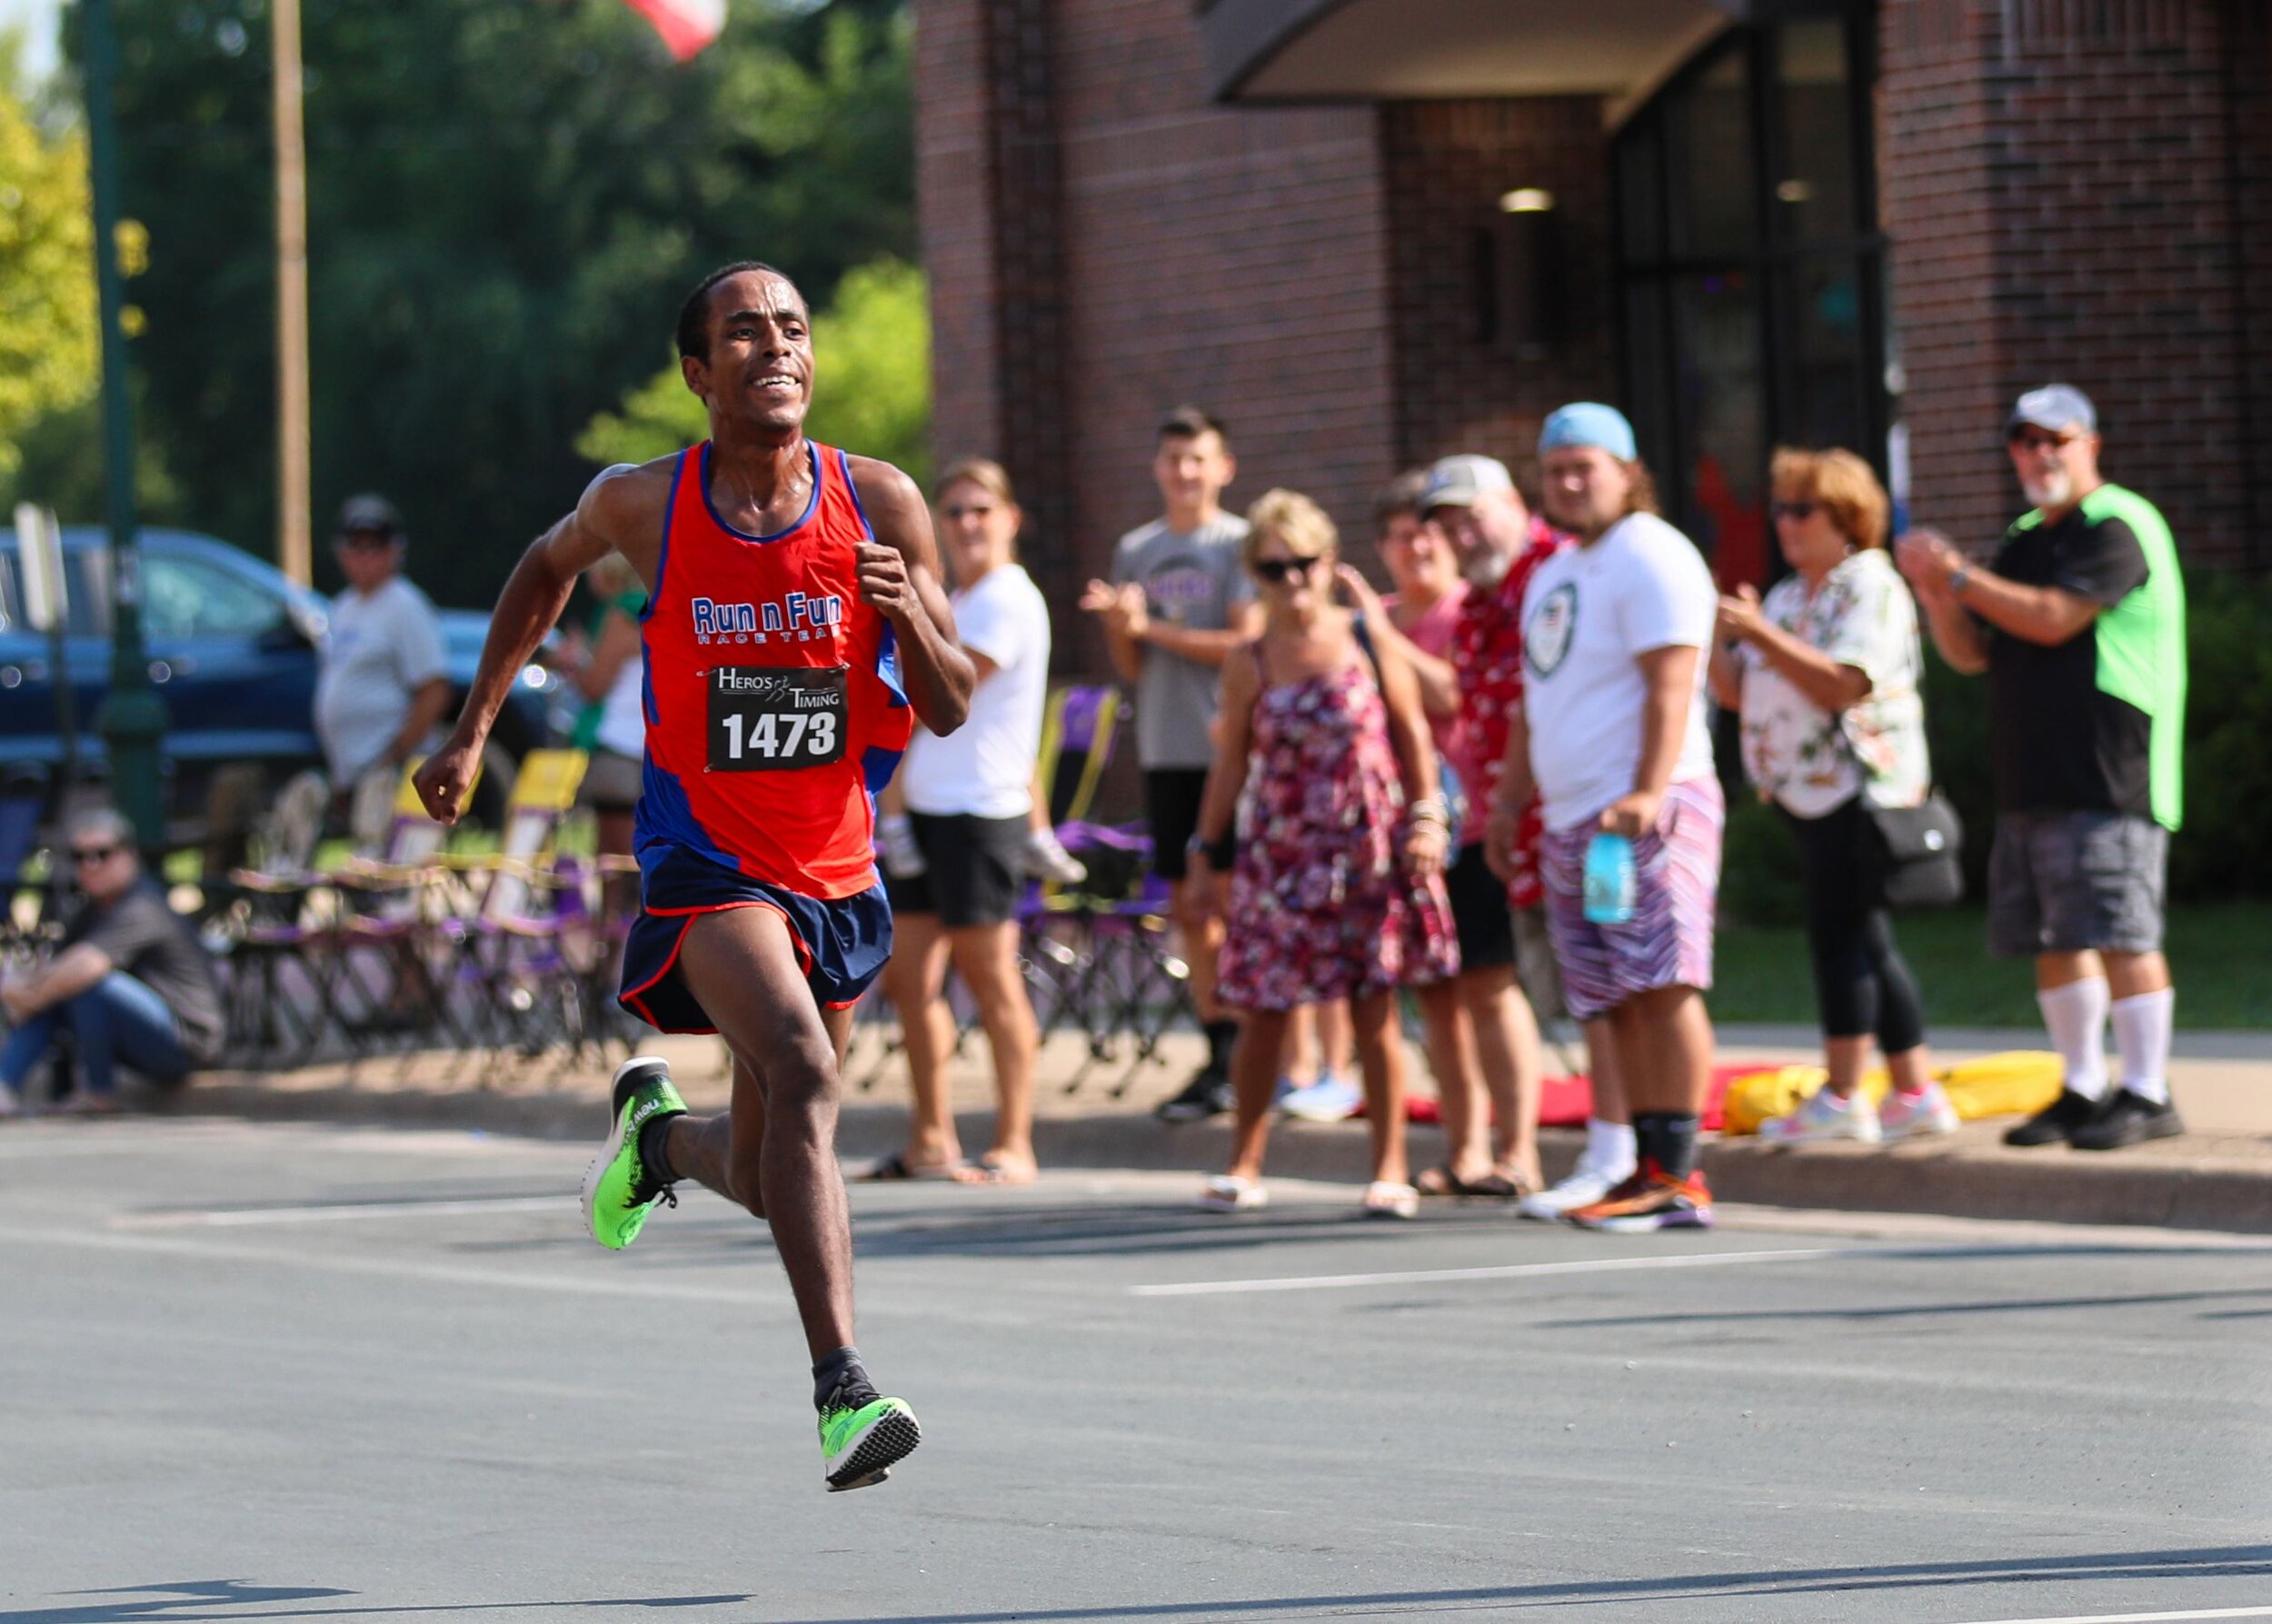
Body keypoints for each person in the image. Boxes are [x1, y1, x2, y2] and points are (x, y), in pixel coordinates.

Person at [414, 261, 973, 1492]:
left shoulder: (878, 499)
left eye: (792, 328)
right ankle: (844, 1389)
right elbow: (541, 568)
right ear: (696, 372)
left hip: (836, 866)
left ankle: (660, 1141)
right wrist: (470, 728)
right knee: (809, 1067)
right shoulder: (645, 503)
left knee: (781, 1163)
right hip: (702, 856)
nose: (776, 346)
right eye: (743, 332)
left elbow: (946, 706)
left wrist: (912, 618)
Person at [1896, 384, 2187, 1151]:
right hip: (2033, 777)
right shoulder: (2027, 535)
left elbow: (2055, 620)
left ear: (2091, 444)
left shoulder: (2119, 524)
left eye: (2055, 439)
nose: (2039, 455)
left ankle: (2149, 1089)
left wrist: (1955, 573)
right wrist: (1938, 594)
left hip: (2110, 772)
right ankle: (2084, 1084)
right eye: (2024, 442)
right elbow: (1974, 654)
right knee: (2058, 937)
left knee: (2121, 931)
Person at [1187, 489, 1460, 1218]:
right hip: (1280, 850)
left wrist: (1428, 818)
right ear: (1256, 575)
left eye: (1305, 563)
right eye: (1274, 569)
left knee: (1374, 1008)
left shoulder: (1365, 637)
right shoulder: (1249, 659)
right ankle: (1244, 1161)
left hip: (1366, 844)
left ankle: (1390, 1167)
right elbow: (1230, 765)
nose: (1293, 580)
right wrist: (1205, 856)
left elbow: (1413, 734)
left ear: (1330, 562)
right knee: (1266, 1009)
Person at [1488, 404, 1722, 1231]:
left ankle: (1680, 1176)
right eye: (1555, 471)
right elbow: (1534, 699)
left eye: (1585, 467)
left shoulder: (1653, 554)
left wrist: (1649, 790)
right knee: (1611, 996)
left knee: (1662, 981)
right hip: (1573, 818)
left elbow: (1672, 680)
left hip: (1649, 808)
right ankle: (1636, 1166)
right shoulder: (1553, 571)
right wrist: (1509, 800)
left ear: (1629, 470)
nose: (1570, 483)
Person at [1708, 448, 1954, 1142]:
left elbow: (1843, 683)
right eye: (1780, 507)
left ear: (1846, 516)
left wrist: (1762, 634)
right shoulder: (1788, 596)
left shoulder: (1867, 585)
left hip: (1859, 785)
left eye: (1802, 508)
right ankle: (1914, 1092)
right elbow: (1736, 692)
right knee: (1863, 937)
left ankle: (1846, 1095)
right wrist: (1720, 635)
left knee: (1841, 935)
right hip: (1804, 792)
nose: (1785, 522)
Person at [1335, 468, 1522, 1196]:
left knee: (1489, 985)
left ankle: (1519, 1150)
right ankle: (1466, 1148)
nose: (1416, 549)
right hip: (1399, 833)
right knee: (1436, 996)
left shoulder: (1463, 609)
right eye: (1400, 536)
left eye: (1427, 534)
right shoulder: (1368, 616)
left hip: (1471, 820)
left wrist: (1382, 638)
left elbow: (1453, 692)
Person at [1080, 407, 1261, 1122]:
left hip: (1230, 753)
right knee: (1190, 908)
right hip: (1166, 750)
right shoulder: (1138, 549)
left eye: (1198, 459)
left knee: (1243, 904)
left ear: (1223, 467)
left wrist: (1150, 624)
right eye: (1172, 460)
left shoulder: (1241, 543)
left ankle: (1274, 1053)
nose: (1184, 473)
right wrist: (1123, 629)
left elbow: (1243, 644)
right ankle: (1222, 1049)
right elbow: (1133, 665)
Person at [872, 459, 1050, 1185]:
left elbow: (940, 685)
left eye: (982, 509)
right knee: (910, 980)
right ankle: (931, 1137)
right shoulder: (960, 595)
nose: (967, 523)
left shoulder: (1006, 596)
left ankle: (1015, 1140)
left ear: (1011, 519)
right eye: (954, 512)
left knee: (990, 978)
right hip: (931, 811)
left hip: (982, 811)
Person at [0, 809, 224, 1116]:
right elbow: (55, 970)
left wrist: (23, 994)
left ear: (129, 855)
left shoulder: (144, 905)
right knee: (55, 991)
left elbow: (84, 969)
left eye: (102, 854)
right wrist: (25, 989)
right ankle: (3, 1085)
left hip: (184, 1044)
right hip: (133, 1034)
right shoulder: (90, 911)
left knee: (85, 984)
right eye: (79, 856)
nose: (90, 865)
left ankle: (99, 1092)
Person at [315, 493, 452, 851]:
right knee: (364, 869)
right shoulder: (343, 606)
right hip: (353, 773)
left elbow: (434, 690)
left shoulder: (405, 606)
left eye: (374, 546)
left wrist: (395, 757)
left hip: (391, 771)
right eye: (355, 545)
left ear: (394, 551)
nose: (363, 555)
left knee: (385, 881)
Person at [569, 552, 648, 908]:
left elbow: (595, 685)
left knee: (614, 868)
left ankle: (610, 955)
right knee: (649, 861)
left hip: (618, 748)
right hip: (658, 752)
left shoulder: (622, 613)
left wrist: (569, 663)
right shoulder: (667, 606)